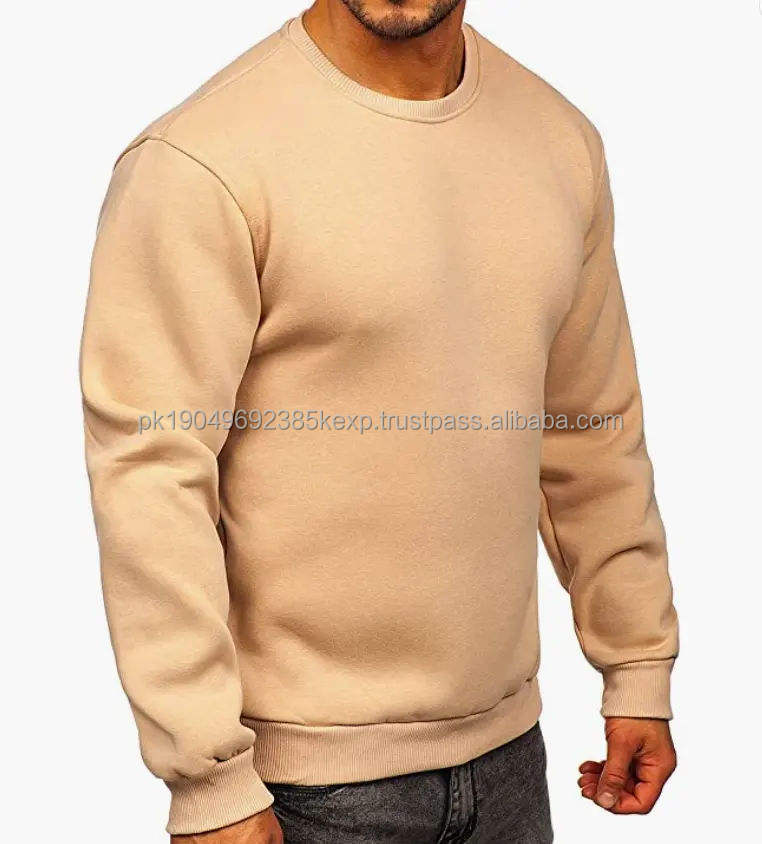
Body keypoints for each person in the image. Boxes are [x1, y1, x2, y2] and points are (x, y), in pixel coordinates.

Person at [80, 1, 678, 841]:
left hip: (512, 758)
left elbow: (592, 428)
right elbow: (150, 473)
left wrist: (637, 666)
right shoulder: (201, 160)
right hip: (298, 787)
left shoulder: (558, 140)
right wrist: (208, 779)